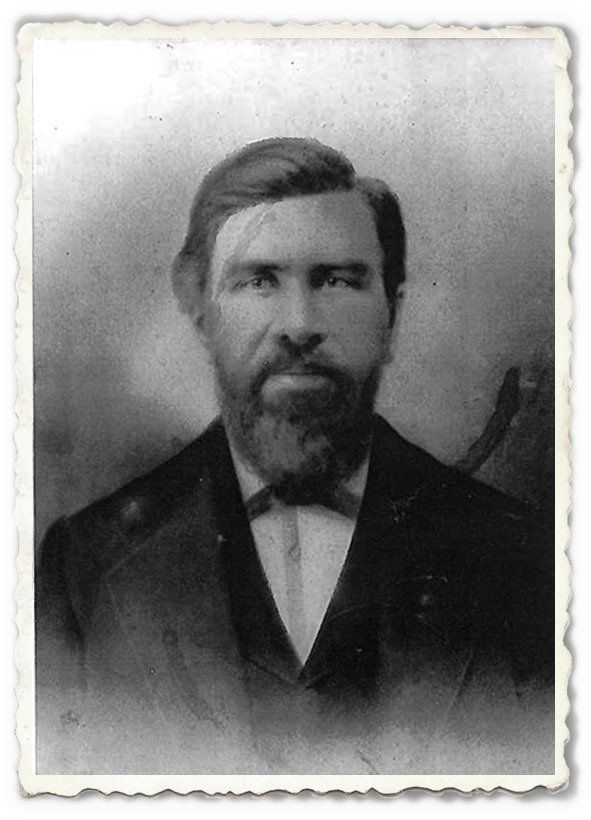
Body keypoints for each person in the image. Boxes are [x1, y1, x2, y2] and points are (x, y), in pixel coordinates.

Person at [36, 137, 554, 775]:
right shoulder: (84, 566)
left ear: (392, 312)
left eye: (337, 279)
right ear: (200, 309)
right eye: (258, 280)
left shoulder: (523, 557)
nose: (300, 323)